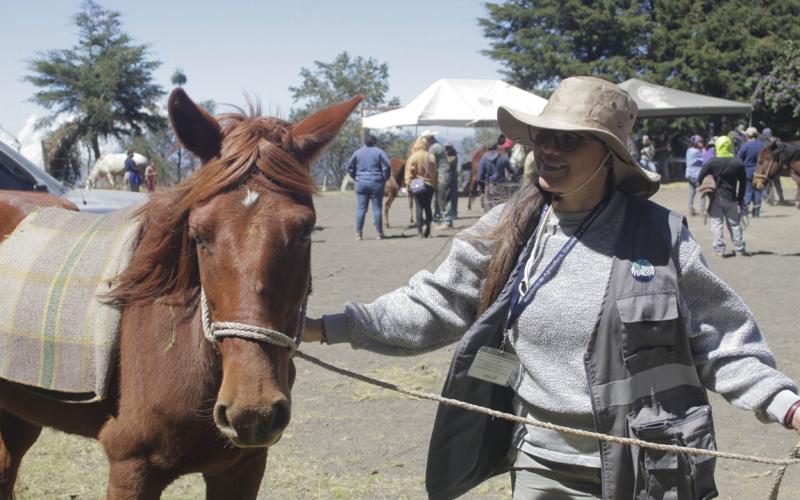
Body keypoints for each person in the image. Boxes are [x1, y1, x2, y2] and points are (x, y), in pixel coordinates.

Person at [304, 77, 800, 499]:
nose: (548, 148)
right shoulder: (509, 225)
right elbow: (433, 304)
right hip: (537, 463)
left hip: (647, 469)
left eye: (569, 140)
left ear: (609, 155)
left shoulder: (660, 235)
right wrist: (324, 328)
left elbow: (722, 342)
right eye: (543, 135)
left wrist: (787, 405)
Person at [698, 136, 748, 257]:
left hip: (716, 198)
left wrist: (707, 187)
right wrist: (740, 199)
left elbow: (700, 177)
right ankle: (740, 248)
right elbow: (743, 182)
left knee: (716, 223)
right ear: (730, 146)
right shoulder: (738, 162)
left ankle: (720, 250)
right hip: (731, 198)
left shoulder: (712, 162)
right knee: (734, 223)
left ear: (717, 146)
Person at [346, 135, 391, 240]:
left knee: (361, 209)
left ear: (365, 142)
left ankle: (358, 234)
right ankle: (379, 233)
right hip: (376, 182)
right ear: (374, 142)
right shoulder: (379, 152)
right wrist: (385, 177)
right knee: (377, 209)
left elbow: (349, 167)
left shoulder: (357, 152)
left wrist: (355, 177)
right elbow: (387, 166)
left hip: (361, 183)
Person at [406, 136, 437, 238]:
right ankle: (428, 230)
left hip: (417, 183)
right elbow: (435, 173)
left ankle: (419, 232)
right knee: (428, 207)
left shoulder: (413, 157)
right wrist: (434, 183)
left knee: (419, 207)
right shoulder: (431, 156)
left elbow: (409, 173)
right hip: (429, 185)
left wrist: (408, 185)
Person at [478, 136, 517, 209]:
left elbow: (480, 177)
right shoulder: (503, 157)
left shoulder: (483, 160)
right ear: (496, 146)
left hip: (490, 187)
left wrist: (481, 189)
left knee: (490, 210)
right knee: (502, 208)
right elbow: (512, 171)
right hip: (503, 187)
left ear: (487, 148)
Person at [737, 126, 766, 217]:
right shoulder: (762, 145)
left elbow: (739, 159)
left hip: (747, 172)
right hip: (760, 172)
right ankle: (756, 212)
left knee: (747, 192)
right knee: (758, 192)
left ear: (747, 136)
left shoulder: (745, 146)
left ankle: (745, 212)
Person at [428, 133, 451, 228]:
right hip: (445, 174)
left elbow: (431, 161)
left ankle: (447, 220)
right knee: (438, 199)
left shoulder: (433, 148)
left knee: (441, 199)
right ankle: (436, 219)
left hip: (441, 176)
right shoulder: (439, 146)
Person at [684, 134, 705, 216]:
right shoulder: (697, 152)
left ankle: (691, 209)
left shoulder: (688, 150)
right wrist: (704, 150)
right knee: (703, 191)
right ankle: (702, 210)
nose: (702, 143)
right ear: (696, 143)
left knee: (692, 192)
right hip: (695, 175)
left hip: (688, 174)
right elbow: (705, 159)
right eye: (700, 142)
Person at [444, 143, 459, 223]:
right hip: (447, 181)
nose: (446, 150)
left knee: (452, 198)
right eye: (446, 148)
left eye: (448, 148)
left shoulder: (453, 158)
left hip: (452, 181)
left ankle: (452, 213)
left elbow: (446, 163)